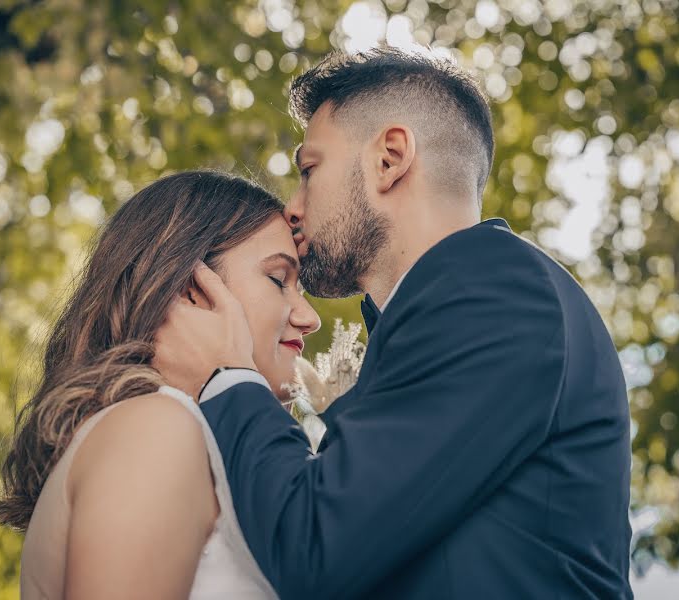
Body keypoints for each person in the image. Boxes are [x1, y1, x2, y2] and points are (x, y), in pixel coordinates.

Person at [154, 48, 634, 599]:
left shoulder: (495, 291)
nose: (293, 205)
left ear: (390, 158)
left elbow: (316, 544)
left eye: (309, 170)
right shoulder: (451, 309)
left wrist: (227, 375)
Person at [0, 171, 319, 598]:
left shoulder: (167, 433)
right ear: (191, 290)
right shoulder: (155, 427)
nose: (309, 317)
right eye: (279, 280)